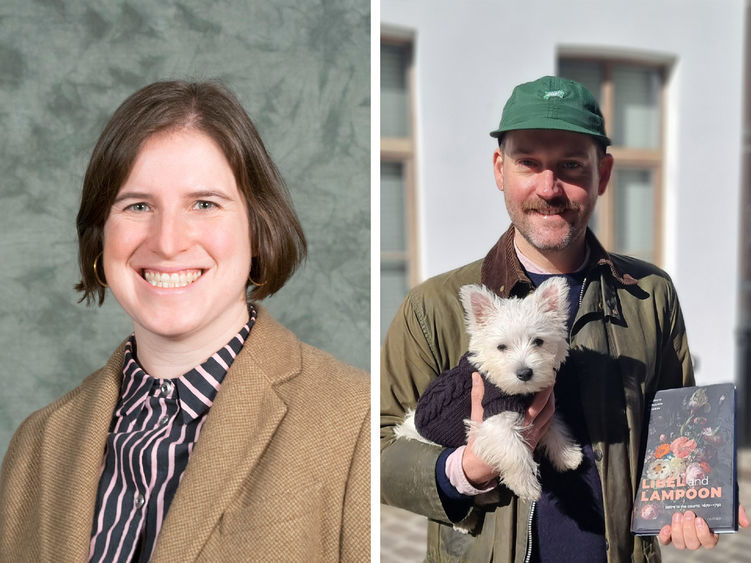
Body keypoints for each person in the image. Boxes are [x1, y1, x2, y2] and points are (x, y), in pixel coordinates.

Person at [380, 75, 748, 561]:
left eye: (571, 165)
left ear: (604, 173)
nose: (549, 187)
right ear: (499, 169)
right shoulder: (434, 307)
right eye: (528, 162)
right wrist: (467, 469)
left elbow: (682, 431)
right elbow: (381, 453)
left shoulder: (650, 296)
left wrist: (694, 499)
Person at [0, 81, 369, 562]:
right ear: (100, 235)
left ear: (258, 228)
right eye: (137, 205)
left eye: (204, 204)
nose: (168, 241)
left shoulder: (353, 421)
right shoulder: (37, 445)